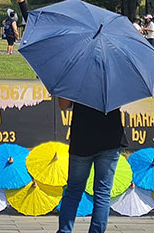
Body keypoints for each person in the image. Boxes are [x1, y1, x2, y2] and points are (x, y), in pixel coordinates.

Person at [56, 96, 123, 233]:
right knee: (103, 193)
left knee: (73, 191)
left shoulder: (76, 75)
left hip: (82, 139)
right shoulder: (114, 75)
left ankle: (64, 230)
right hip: (110, 138)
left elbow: (63, 105)